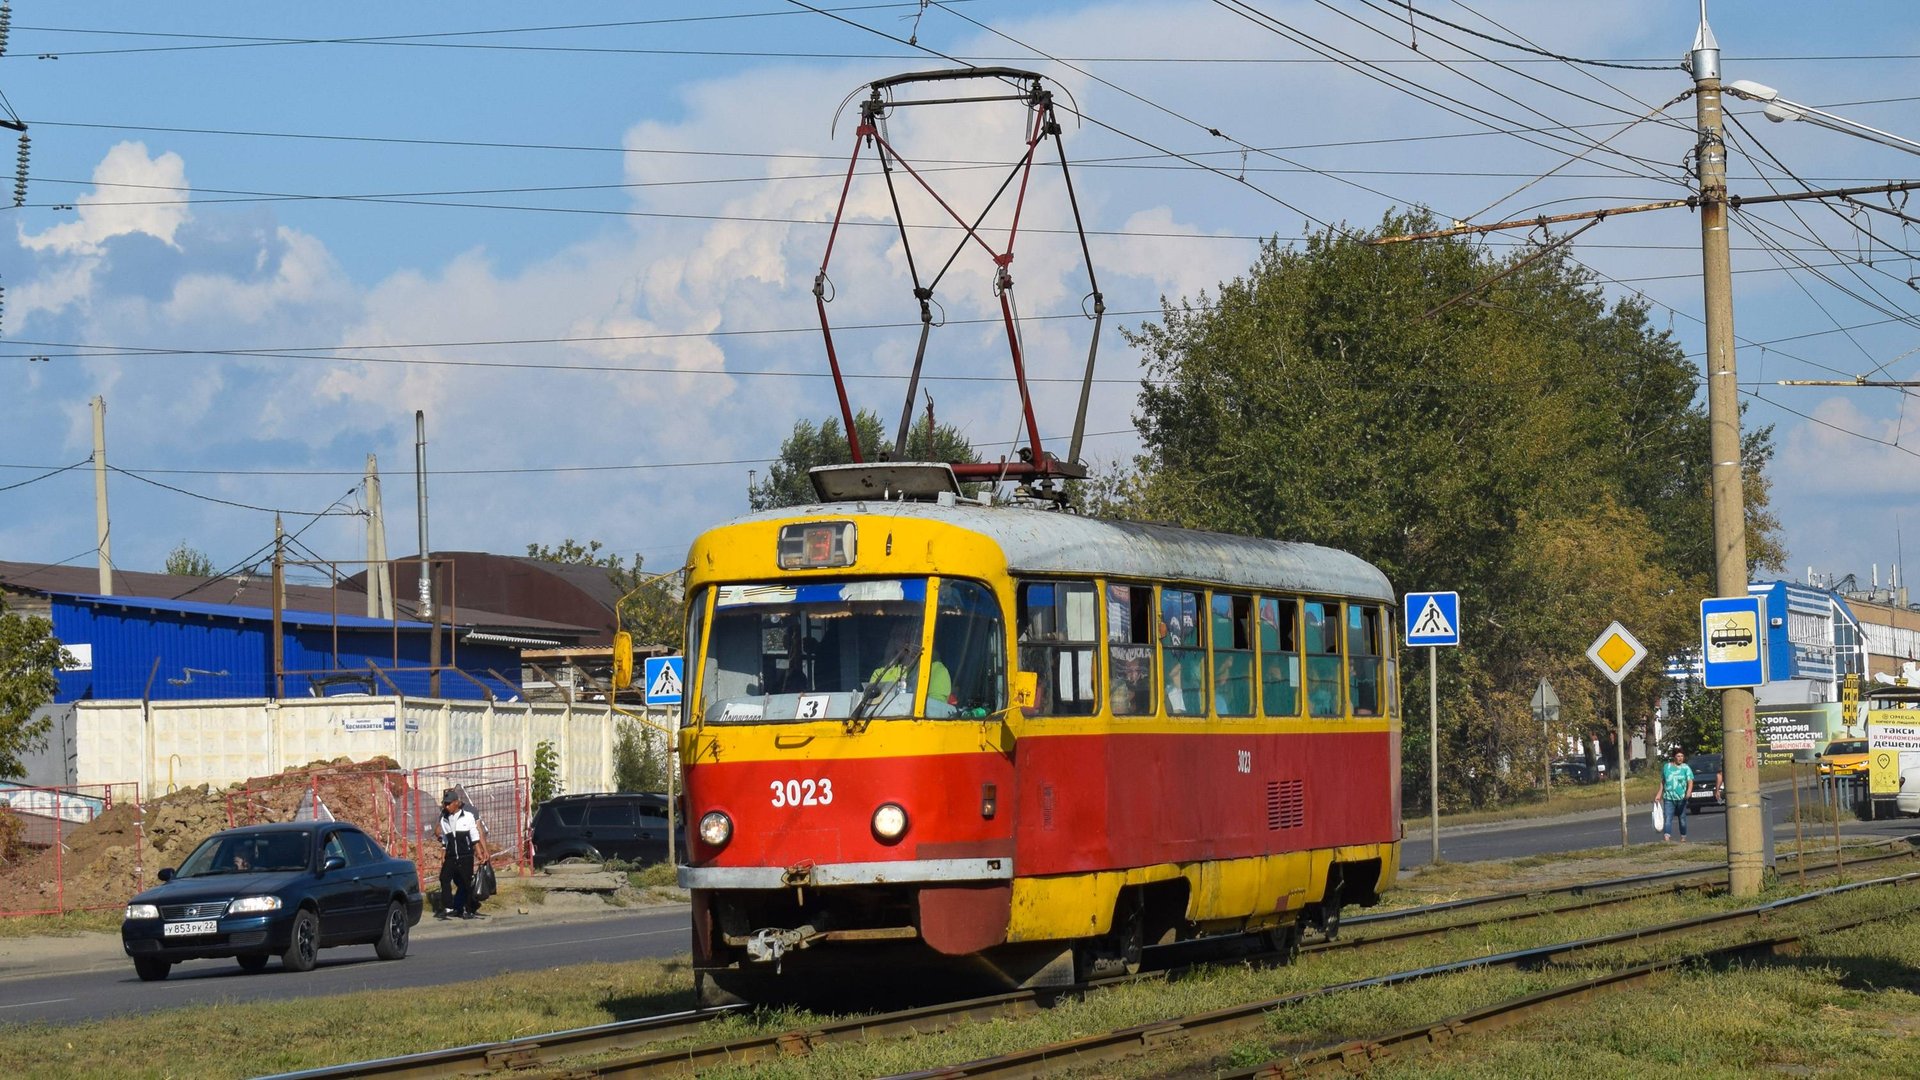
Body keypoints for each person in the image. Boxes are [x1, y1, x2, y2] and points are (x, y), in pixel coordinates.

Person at [868, 620, 950, 713]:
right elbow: (871, 706)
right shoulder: (880, 673)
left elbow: (935, 710)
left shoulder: (937, 671)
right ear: (894, 641)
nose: (907, 642)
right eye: (900, 636)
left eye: (914, 636)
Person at [438, 788, 491, 919]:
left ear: (456, 802)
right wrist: (443, 852)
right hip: (451, 855)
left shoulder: (467, 816)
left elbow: (474, 836)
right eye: (445, 804)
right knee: (444, 878)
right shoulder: (444, 819)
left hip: (465, 855)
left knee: (466, 882)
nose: (446, 806)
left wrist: (479, 852)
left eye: (449, 803)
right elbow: (445, 838)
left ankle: (468, 909)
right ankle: (449, 906)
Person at [1661, 748, 1695, 842]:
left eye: (1682, 756)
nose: (1680, 758)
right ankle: (1667, 837)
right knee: (1668, 818)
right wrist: (1659, 794)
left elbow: (1690, 781)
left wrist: (1689, 791)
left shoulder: (1685, 768)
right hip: (1668, 797)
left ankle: (1683, 837)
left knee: (1682, 818)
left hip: (1681, 798)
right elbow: (1663, 781)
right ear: (1674, 757)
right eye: (1678, 756)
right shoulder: (1666, 767)